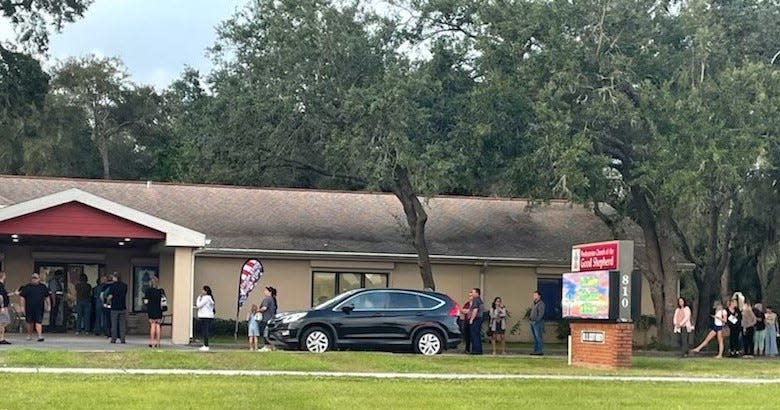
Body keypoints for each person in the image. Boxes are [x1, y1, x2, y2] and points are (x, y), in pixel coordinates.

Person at [18, 273, 53, 342]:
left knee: (38, 321)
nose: (34, 279)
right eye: (33, 278)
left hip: (39, 308)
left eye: (36, 278)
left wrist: (49, 305)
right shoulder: (27, 287)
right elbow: (22, 297)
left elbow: (47, 297)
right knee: (29, 322)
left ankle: (40, 336)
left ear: (39, 279)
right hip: (29, 308)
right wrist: (22, 307)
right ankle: (29, 335)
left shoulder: (43, 287)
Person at [106, 272, 128, 344]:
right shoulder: (125, 286)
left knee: (114, 324)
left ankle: (113, 339)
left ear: (115, 277)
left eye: (113, 277)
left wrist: (107, 301)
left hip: (114, 307)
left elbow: (110, 296)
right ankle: (122, 339)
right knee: (122, 325)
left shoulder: (113, 286)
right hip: (122, 307)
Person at [143, 276, 164, 348]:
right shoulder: (161, 291)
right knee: (158, 325)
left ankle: (152, 343)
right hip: (159, 310)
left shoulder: (148, 291)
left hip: (151, 310)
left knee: (152, 325)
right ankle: (158, 343)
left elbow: (146, 302)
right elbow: (163, 301)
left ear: (150, 283)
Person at [195, 285, 215, 351]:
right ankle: (205, 345)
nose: (202, 291)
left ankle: (206, 346)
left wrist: (199, 297)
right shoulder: (209, 298)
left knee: (205, 331)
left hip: (205, 316)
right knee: (204, 331)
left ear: (206, 291)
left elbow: (199, 305)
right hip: (207, 316)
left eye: (203, 290)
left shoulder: (206, 298)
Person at [257, 286, 277, 352]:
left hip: (266, 319)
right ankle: (272, 346)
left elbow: (264, 308)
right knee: (269, 333)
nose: (264, 292)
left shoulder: (267, 299)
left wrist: (258, 310)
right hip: (271, 319)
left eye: (266, 291)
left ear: (270, 292)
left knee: (265, 333)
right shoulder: (273, 299)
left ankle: (266, 346)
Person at [468, 288, 484, 355]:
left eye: (473, 292)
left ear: (477, 293)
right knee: (477, 334)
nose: (472, 293)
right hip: (479, 318)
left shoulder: (476, 300)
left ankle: (476, 350)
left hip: (476, 319)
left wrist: (471, 319)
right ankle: (479, 350)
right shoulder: (479, 300)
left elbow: (475, 310)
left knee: (474, 335)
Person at [529, 290, 546, 355]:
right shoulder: (534, 303)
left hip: (538, 323)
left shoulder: (541, 304)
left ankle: (539, 351)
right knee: (535, 337)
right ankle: (535, 350)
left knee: (538, 337)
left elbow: (541, 314)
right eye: (534, 295)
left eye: (535, 295)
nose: (534, 297)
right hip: (532, 322)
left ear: (539, 296)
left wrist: (536, 321)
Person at [0, 272, 11, 344]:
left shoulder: (2, 285)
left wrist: (13, 293)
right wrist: (2, 307)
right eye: (5, 275)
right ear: (3, 276)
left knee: (3, 322)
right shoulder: (0, 285)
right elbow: (0, 296)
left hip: (3, 306)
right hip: (2, 307)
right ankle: (1, 339)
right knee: (2, 323)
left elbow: (5, 295)